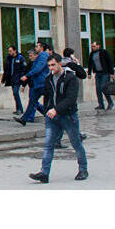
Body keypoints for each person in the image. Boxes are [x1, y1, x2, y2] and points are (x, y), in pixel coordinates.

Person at [28, 54, 88, 183]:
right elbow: (47, 96)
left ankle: (83, 169)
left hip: (68, 116)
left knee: (76, 143)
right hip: (52, 117)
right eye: (49, 66)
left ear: (60, 63)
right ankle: (44, 173)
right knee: (48, 144)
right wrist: (47, 110)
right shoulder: (49, 78)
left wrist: (56, 109)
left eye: (53, 65)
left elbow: (71, 99)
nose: (51, 68)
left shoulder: (70, 78)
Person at [14, 43, 49, 126]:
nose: (35, 48)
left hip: (43, 83)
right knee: (32, 101)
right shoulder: (40, 57)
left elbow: (38, 68)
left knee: (46, 102)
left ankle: (52, 118)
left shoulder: (43, 56)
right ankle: (24, 119)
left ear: (42, 48)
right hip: (37, 84)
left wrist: (27, 76)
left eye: (37, 46)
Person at [87, 40, 114, 110]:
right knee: (98, 89)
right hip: (98, 73)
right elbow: (90, 63)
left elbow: (110, 62)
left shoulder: (104, 52)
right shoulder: (92, 54)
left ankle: (110, 102)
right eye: (92, 46)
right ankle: (101, 104)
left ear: (98, 46)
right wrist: (89, 73)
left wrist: (111, 72)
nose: (93, 48)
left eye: (94, 46)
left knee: (103, 87)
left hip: (105, 73)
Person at [2, 45, 27, 115]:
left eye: (10, 51)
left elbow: (24, 68)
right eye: (8, 51)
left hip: (18, 79)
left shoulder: (20, 58)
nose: (9, 52)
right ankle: (18, 108)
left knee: (16, 93)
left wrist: (22, 78)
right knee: (14, 94)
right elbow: (6, 69)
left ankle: (20, 109)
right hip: (12, 79)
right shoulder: (9, 59)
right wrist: (4, 78)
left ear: (14, 51)